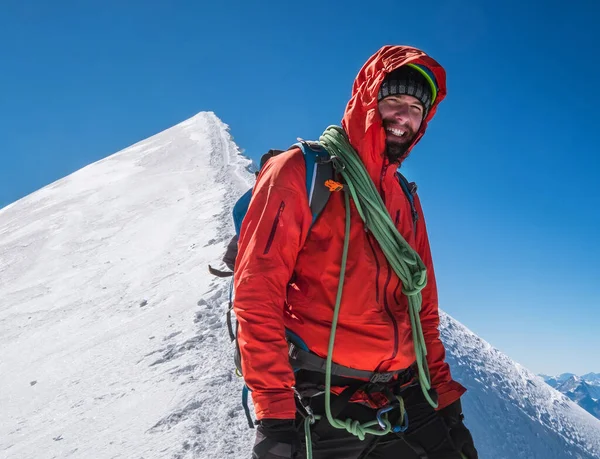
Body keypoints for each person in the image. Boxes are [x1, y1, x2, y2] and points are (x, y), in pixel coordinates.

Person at [233, 45, 478, 459]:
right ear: (368, 101)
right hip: (322, 400)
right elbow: (257, 295)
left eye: (416, 108)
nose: (404, 117)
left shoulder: (405, 198)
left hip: (402, 394)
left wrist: (446, 403)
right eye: (394, 101)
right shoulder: (299, 172)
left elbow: (423, 313)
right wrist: (274, 414)